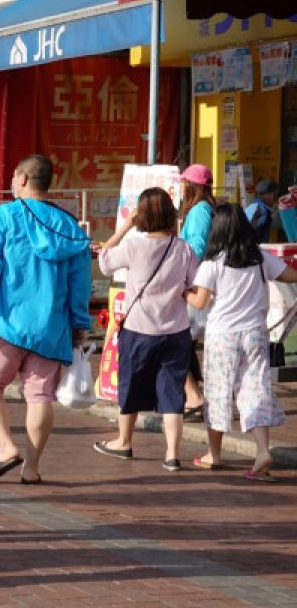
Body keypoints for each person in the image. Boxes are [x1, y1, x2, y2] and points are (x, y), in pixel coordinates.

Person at [0, 154, 92, 485]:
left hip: (6, 322)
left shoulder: (5, 216)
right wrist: (79, 324)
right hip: (51, 328)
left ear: (22, 179)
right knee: (40, 396)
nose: (10, 183)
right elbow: (80, 285)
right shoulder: (70, 228)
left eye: (12, 177)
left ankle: (6, 447)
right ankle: (32, 467)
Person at [187, 204, 297, 480]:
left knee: (217, 392)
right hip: (256, 334)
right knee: (254, 391)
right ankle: (262, 451)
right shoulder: (260, 258)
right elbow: (291, 276)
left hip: (222, 336)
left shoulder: (212, 264)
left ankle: (214, 454)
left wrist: (183, 293)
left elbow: (200, 301)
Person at [93, 188, 197, 470]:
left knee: (131, 384)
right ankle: (172, 454)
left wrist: (126, 225)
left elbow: (104, 262)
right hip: (176, 330)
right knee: (172, 391)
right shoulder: (184, 248)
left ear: (143, 215)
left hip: (139, 329)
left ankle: (124, 442)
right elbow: (194, 284)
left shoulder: (134, 245)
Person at [179, 163, 216, 417]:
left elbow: (197, 247)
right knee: (184, 342)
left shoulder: (200, 211)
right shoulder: (204, 209)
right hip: (197, 281)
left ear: (191, 186)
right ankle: (192, 394)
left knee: (178, 341)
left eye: (184, 182)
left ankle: (194, 396)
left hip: (194, 283)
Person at [245, 179, 280, 243]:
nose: (276, 199)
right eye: (275, 195)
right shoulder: (263, 211)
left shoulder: (253, 206)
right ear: (270, 195)